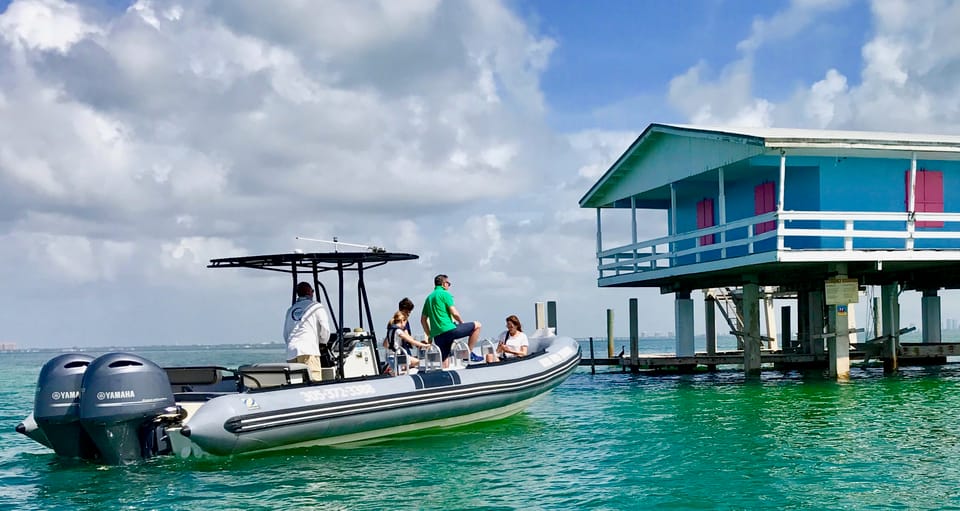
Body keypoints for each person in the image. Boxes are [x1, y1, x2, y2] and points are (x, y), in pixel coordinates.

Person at [420, 274, 482, 366]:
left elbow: (423, 320)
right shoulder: (445, 294)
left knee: (444, 361)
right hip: (449, 330)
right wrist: (461, 322)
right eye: (448, 283)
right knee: (477, 325)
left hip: (437, 335)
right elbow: (454, 312)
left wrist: (429, 334)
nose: (449, 286)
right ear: (444, 283)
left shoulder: (428, 298)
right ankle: (467, 354)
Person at [282, 282, 331, 381]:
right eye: (312, 291)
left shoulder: (291, 309)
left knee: (296, 382)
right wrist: (323, 343)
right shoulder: (316, 307)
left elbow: (286, 333)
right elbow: (325, 329)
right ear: (310, 292)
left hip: (291, 351)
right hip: (308, 350)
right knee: (314, 380)